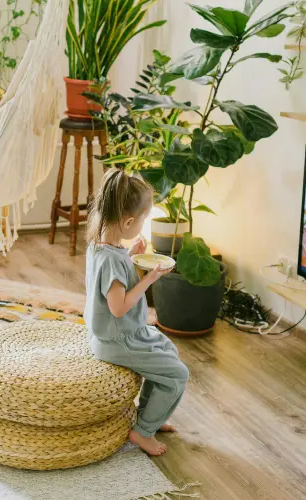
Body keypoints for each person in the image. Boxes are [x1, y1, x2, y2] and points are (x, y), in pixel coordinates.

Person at [84, 169, 189, 457]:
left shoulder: (101, 246)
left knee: (168, 352)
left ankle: (152, 415)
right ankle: (142, 432)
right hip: (118, 341)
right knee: (178, 373)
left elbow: (110, 285)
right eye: (143, 219)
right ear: (129, 221)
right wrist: (149, 278)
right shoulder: (111, 260)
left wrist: (131, 256)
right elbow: (118, 307)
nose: (143, 225)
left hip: (121, 333)